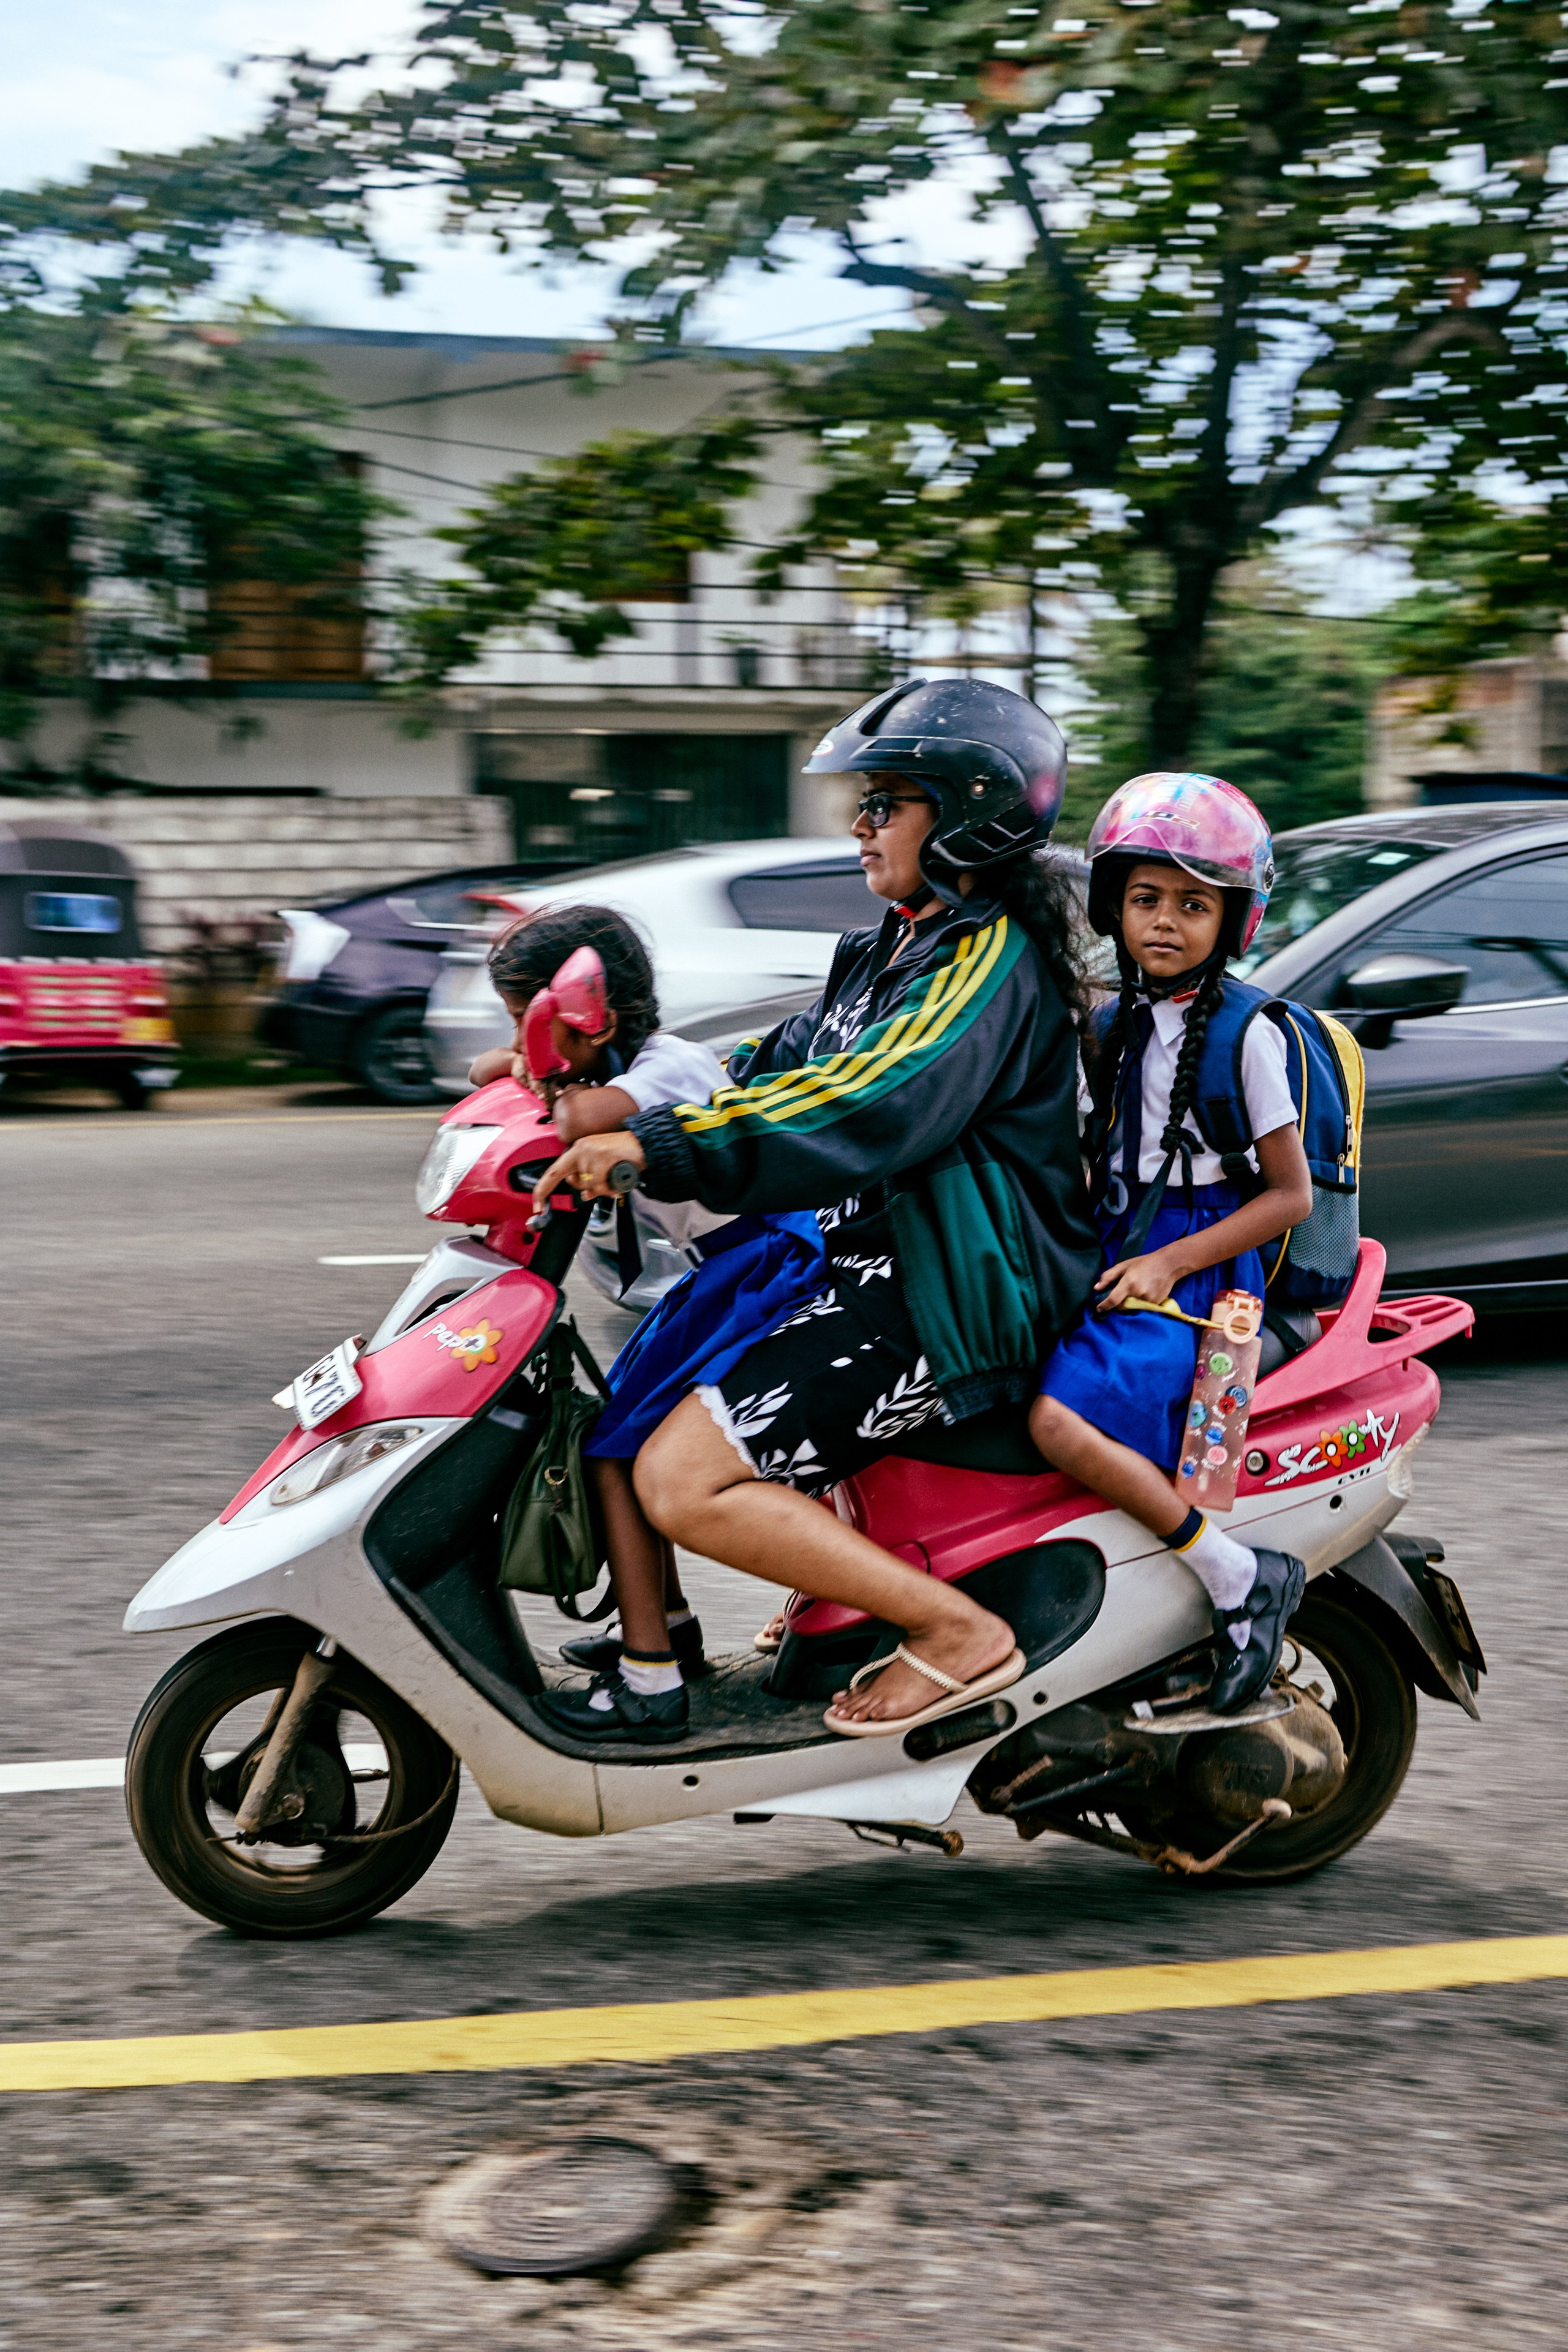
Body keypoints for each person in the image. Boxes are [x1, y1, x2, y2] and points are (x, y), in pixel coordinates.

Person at [528, 678, 1102, 1744]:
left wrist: (657, 1146)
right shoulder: (893, 944)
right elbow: (768, 1064)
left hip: (949, 1290)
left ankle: (958, 1632)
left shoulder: (986, 961)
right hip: (863, 1265)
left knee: (683, 1479)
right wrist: (609, 1089)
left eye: (886, 801)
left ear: (968, 813)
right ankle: (669, 1645)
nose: (858, 824)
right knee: (635, 1406)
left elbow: (864, 1100)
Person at [1029, 771, 1313, 1714]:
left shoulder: (1247, 1036)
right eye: (1146, 899)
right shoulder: (1111, 1022)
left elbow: (1289, 1197)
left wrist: (1167, 1262)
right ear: (1115, 907)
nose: (1164, 922)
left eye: (1194, 904)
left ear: (1234, 920)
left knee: (1054, 1421)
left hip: (1202, 1270)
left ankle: (1237, 1575)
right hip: (1120, 1246)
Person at [470, 904, 740, 1683]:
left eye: (530, 1017)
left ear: (591, 1015)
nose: (520, 1037)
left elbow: (578, 1116)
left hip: (760, 1267)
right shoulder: (618, 1067)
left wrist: (531, 1068)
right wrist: (521, 1055)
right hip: (714, 1270)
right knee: (611, 1432)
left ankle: (649, 1672)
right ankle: (670, 1626)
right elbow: (481, 1071)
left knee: (613, 1445)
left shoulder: (667, 1069)